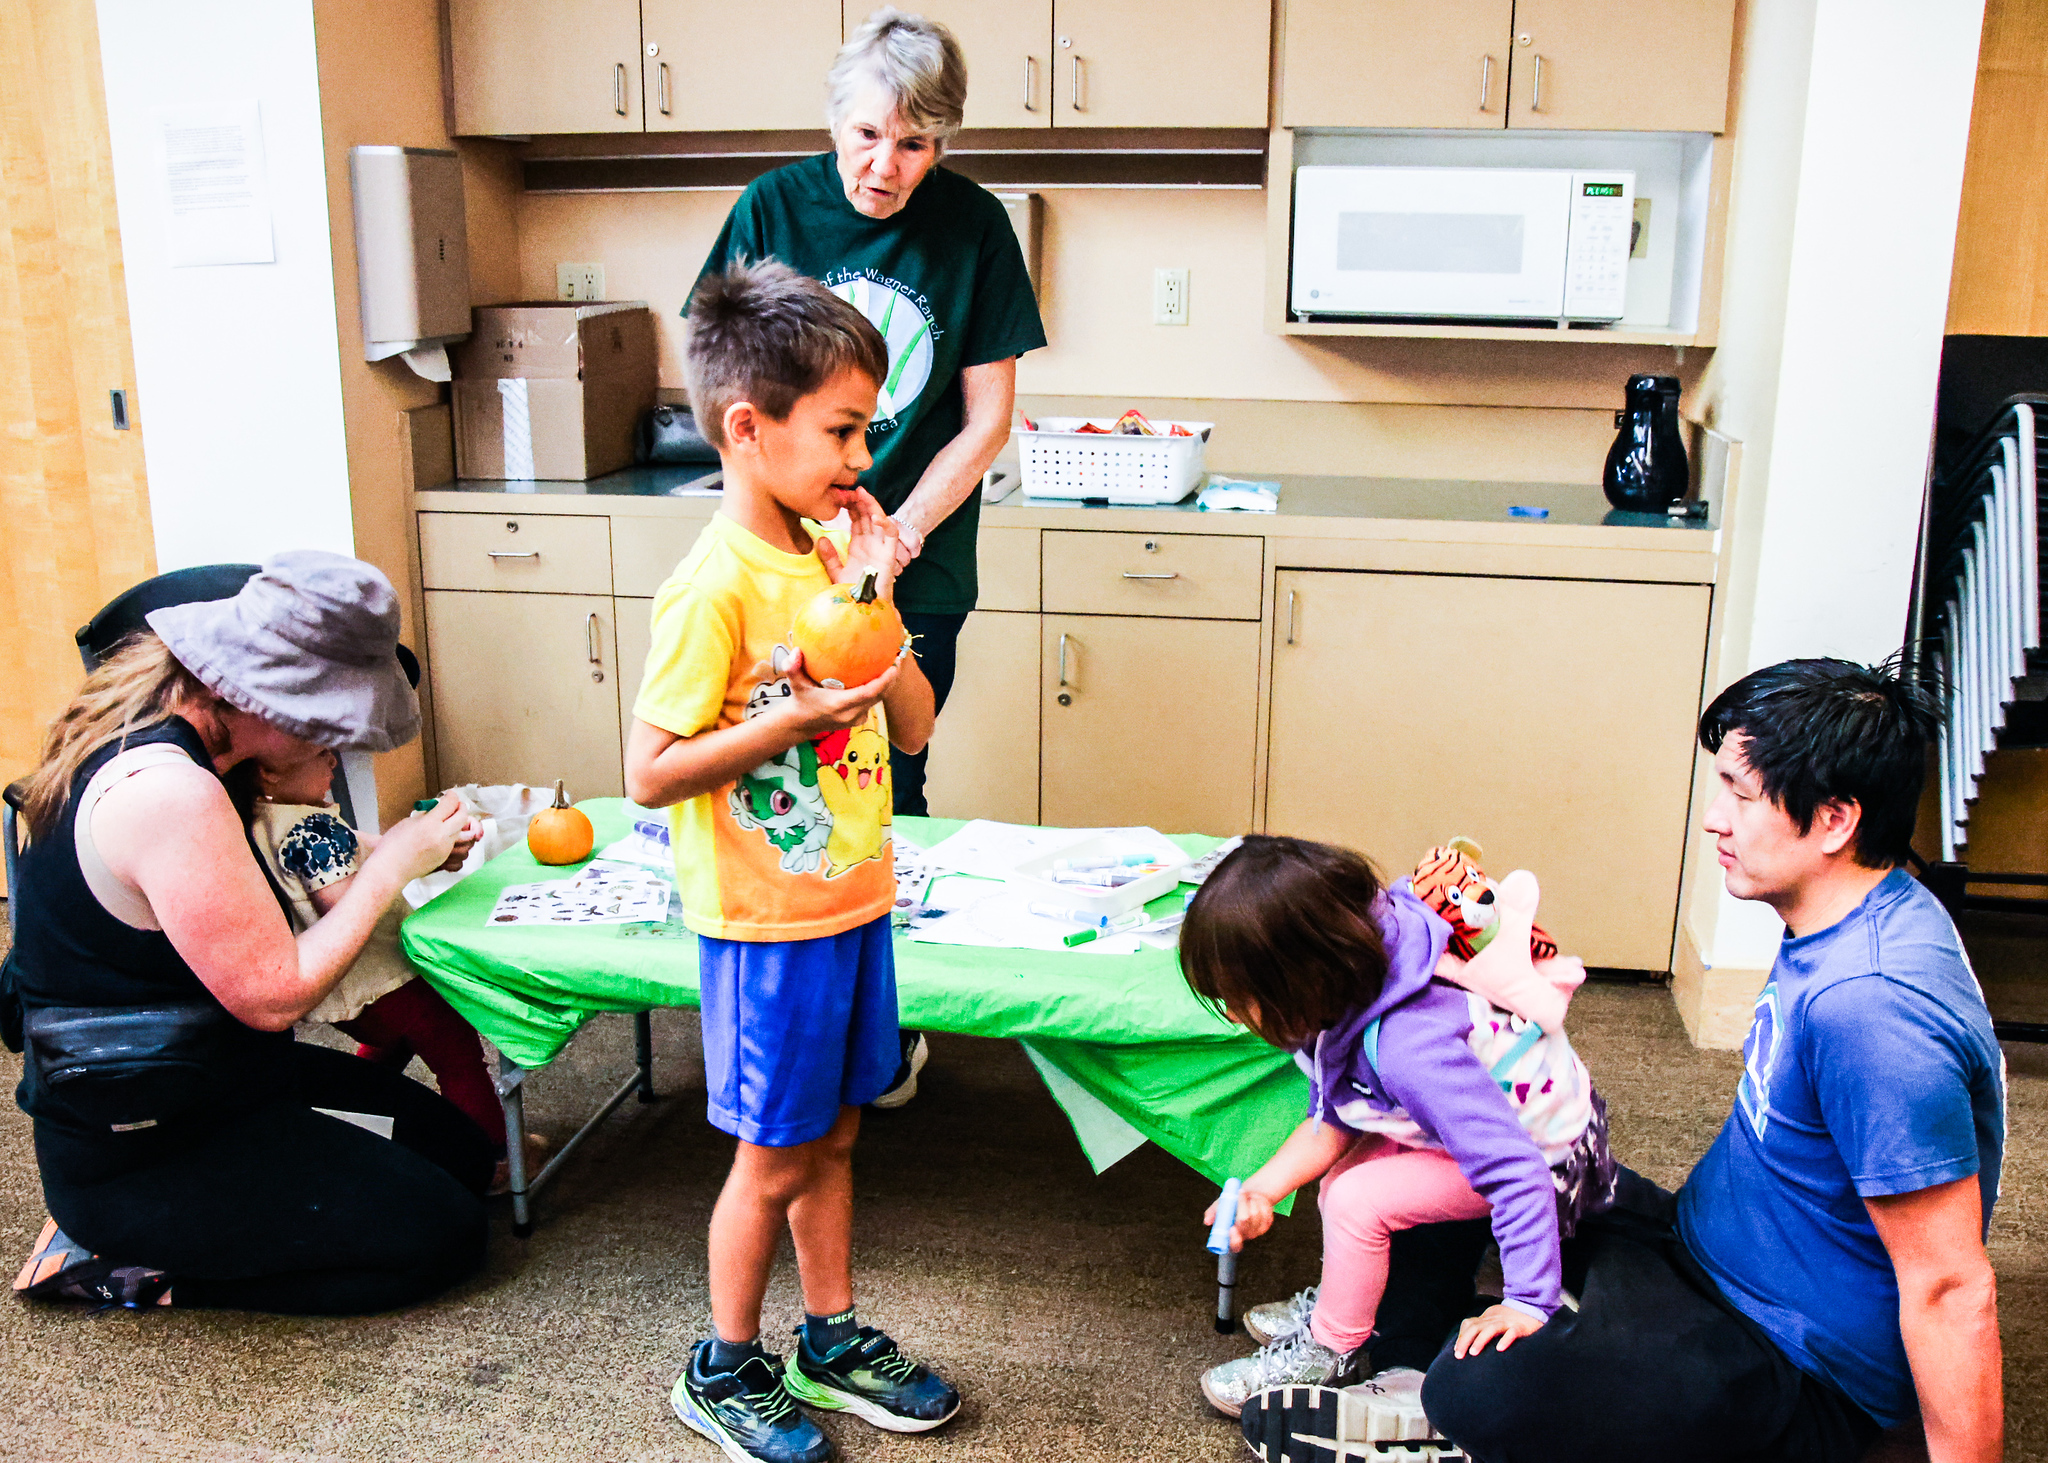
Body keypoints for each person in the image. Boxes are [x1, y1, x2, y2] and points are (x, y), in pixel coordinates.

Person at [1249, 657, 2006, 1463]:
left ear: (1834, 821)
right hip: (1699, 1243)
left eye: (1741, 796)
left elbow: (1953, 1286)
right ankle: (1400, 1354)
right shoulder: (1856, 909)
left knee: (1481, 1390)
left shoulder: (1874, 1009)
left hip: (1787, 1353)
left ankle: (1450, 1403)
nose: (1714, 819)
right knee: (1473, 1130)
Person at [624, 260, 953, 1463]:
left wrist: (875, 590)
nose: (863, 456)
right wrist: (790, 717)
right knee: (769, 1156)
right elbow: (650, 771)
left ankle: (828, 1333)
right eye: (844, 429)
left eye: (867, 426)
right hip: (764, 924)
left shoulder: (825, 559)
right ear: (746, 429)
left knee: (836, 1134)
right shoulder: (709, 587)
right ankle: (722, 1365)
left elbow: (909, 724)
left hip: (849, 901)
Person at [7, 552, 497, 1315]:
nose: (339, 750)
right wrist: (390, 867)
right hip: (146, 1144)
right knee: (447, 1235)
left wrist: (398, 846)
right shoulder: (167, 791)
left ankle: (218, 1213)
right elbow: (274, 997)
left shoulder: (189, 733)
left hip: (227, 1081)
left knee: (465, 1155)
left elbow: (272, 859)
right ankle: (118, 1264)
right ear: (270, 700)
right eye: (331, 725)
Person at [695, 7, 1046, 824]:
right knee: (766, 767)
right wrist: (780, 532)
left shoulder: (975, 228)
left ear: (942, 145)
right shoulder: (771, 209)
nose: (884, 165)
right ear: (833, 121)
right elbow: (717, 383)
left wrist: (894, 543)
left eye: (914, 145)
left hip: (915, 553)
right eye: (866, 136)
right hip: (786, 546)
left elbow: (987, 420)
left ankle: (879, 942)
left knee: (888, 773)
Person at [1180, 835, 1615, 1419]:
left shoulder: (1412, 1047)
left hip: (1547, 1158)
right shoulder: (1352, 984)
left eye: (1241, 998)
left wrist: (1527, 1302)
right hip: (1464, 1127)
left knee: (1358, 1198)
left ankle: (1333, 1347)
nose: (1233, 1013)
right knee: (1342, 1181)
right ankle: (1347, 1301)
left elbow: (1516, 1169)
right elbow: (1335, 1117)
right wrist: (1261, 1188)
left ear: (1301, 976)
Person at [245, 745, 542, 1190]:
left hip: (343, 988)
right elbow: (344, 902)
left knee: (395, 1041)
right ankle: (496, 1157)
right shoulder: (311, 827)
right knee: (457, 1054)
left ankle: (359, 1118)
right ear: (267, 771)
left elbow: (363, 851)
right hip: (382, 976)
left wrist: (413, 843)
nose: (334, 761)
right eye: (321, 753)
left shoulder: (256, 821)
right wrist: (398, 867)